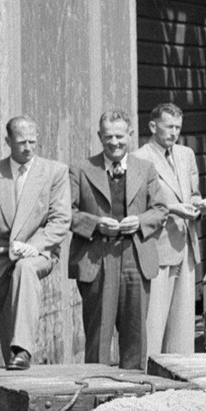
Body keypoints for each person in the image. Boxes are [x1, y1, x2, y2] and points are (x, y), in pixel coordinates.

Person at [0, 116, 72, 370]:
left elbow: (61, 219)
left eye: (32, 142)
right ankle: (16, 368)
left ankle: (23, 350)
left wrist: (35, 246)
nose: (28, 148)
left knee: (25, 268)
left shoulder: (54, 172)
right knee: (9, 331)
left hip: (39, 253)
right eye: (22, 142)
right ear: (8, 141)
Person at [129, 103, 206, 357]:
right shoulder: (140, 159)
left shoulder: (186, 154)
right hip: (157, 246)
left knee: (183, 324)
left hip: (186, 244)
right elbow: (137, 208)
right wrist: (174, 208)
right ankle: (148, 374)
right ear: (153, 127)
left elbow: (192, 192)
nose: (174, 132)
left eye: (178, 127)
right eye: (169, 127)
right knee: (154, 322)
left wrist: (199, 204)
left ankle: (179, 379)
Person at [70, 110, 147, 369]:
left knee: (135, 333)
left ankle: (135, 393)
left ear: (131, 135)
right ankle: (97, 393)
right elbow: (63, 213)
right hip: (97, 257)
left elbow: (160, 209)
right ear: (99, 136)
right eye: (108, 136)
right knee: (99, 334)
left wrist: (141, 222)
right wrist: (94, 224)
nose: (114, 142)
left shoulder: (145, 169)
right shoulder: (81, 169)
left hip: (135, 257)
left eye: (120, 136)